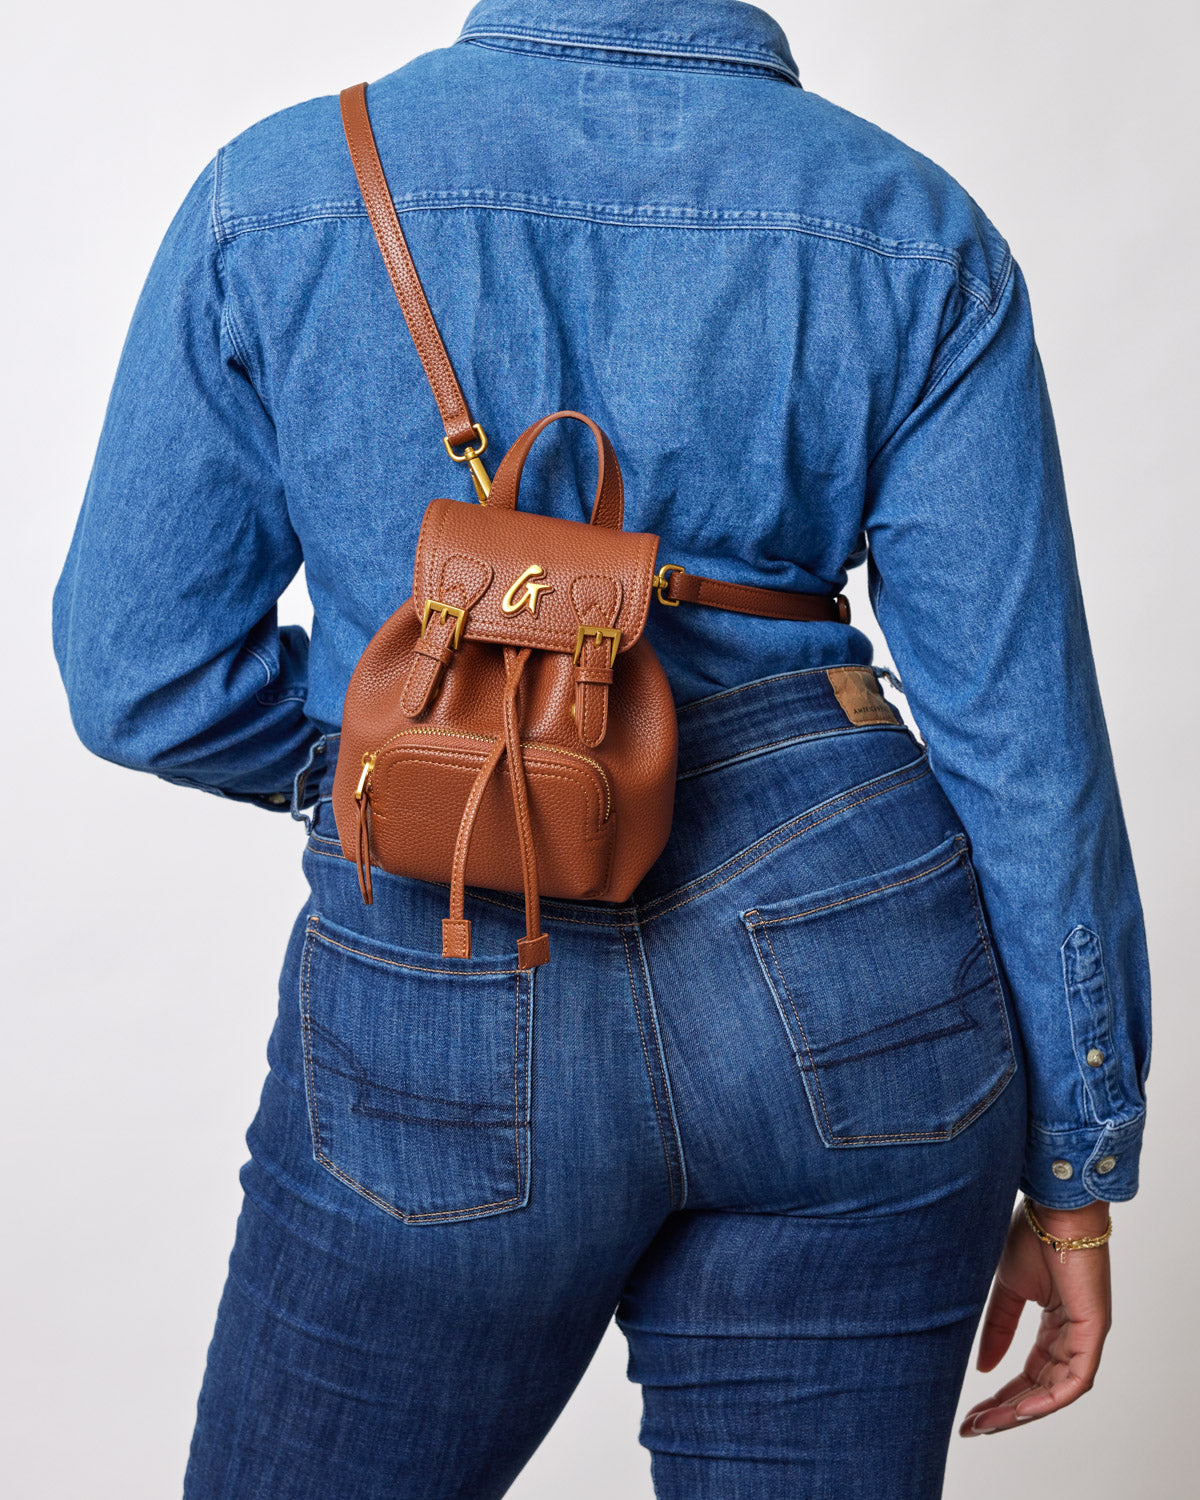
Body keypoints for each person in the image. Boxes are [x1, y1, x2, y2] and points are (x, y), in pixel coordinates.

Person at [51, 3, 1150, 1496]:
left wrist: (417, 767)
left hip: (448, 960)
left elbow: (141, 672)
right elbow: (1024, 750)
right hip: (850, 964)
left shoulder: (285, 191)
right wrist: (1078, 1174)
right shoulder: (914, 225)